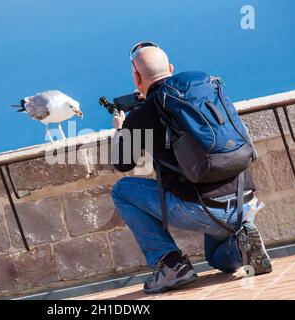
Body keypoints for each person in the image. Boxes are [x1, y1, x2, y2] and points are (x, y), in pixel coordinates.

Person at [111, 41, 272, 294]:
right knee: (216, 257)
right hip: (245, 198)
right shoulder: (207, 91)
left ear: (136, 76)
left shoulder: (140, 115)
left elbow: (122, 164)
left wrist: (122, 129)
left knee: (122, 190)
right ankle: (243, 244)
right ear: (171, 68)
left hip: (204, 210)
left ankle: (170, 265)